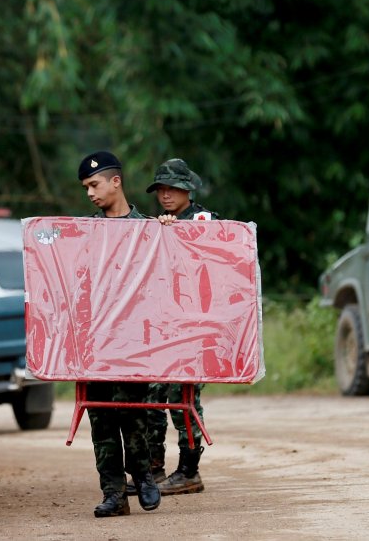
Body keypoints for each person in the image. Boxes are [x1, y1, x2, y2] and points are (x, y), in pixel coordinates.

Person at [77, 151, 160, 518]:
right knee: (101, 418)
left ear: (116, 181)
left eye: (94, 185)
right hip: (95, 341)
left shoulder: (151, 228)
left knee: (133, 413)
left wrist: (171, 232)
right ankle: (113, 493)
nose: (90, 193)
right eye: (85, 188)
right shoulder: (86, 234)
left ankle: (142, 474)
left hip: (133, 340)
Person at [141, 159, 217, 496]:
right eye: (161, 188)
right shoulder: (157, 224)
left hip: (194, 326)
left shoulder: (205, 220)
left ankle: (189, 470)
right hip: (161, 328)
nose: (166, 195)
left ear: (189, 190)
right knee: (154, 394)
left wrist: (177, 231)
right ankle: (155, 469)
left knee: (182, 396)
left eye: (173, 188)